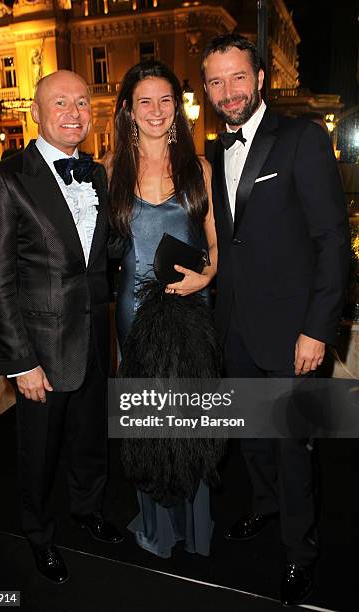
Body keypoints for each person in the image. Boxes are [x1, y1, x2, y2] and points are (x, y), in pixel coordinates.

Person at [202, 33, 350, 606]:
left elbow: (333, 241)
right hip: (236, 325)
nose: (228, 91)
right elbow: (230, 241)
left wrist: (318, 328)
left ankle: (300, 551)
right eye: (216, 81)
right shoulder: (216, 152)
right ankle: (264, 509)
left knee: (294, 446)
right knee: (253, 436)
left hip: (293, 332)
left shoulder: (302, 139)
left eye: (238, 77)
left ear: (260, 78)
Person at [0, 70, 122, 585]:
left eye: (82, 102)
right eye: (60, 102)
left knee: (90, 439)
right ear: (35, 112)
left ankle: (88, 509)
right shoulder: (4, 178)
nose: (74, 112)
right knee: (37, 452)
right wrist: (21, 362)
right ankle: (39, 535)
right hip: (41, 349)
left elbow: (101, 256)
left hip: (95, 339)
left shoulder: (98, 176)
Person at [107, 61, 223, 559]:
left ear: (178, 108)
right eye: (144, 102)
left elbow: (217, 246)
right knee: (147, 424)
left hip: (190, 308)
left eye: (165, 100)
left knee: (190, 422)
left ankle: (195, 527)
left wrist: (208, 275)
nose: (156, 111)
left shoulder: (201, 169)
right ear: (129, 111)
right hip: (133, 312)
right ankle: (157, 526)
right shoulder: (110, 170)